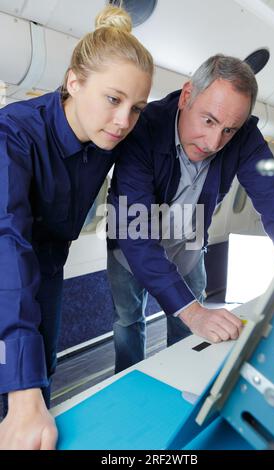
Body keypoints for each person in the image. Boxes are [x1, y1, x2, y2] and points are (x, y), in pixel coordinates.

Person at [0, 5, 153, 450]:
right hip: (6, 267)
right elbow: (7, 242)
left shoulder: (111, 136)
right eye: (113, 99)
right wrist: (22, 391)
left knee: (40, 375)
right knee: (19, 383)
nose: (124, 120)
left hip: (49, 271)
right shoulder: (14, 133)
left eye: (136, 107)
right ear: (74, 82)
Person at [107, 54, 274, 373]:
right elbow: (136, 234)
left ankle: (182, 375)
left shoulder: (245, 136)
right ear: (186, 96)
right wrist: (191, 311)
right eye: (208, 120)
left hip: (190, 241)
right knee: (128, 318)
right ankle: (127, 379)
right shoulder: (144, 128)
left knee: (187, 328)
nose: (214, 142)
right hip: (132, 243)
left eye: (228, 130)